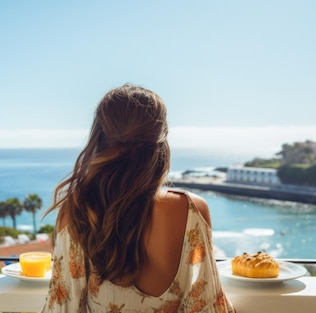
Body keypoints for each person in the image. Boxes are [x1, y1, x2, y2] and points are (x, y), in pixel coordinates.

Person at [41, 84, 236, 313]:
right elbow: (207, 306)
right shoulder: (191, 210)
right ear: (160, 140)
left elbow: (63, 308)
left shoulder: (79, 211)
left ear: (99, 138)